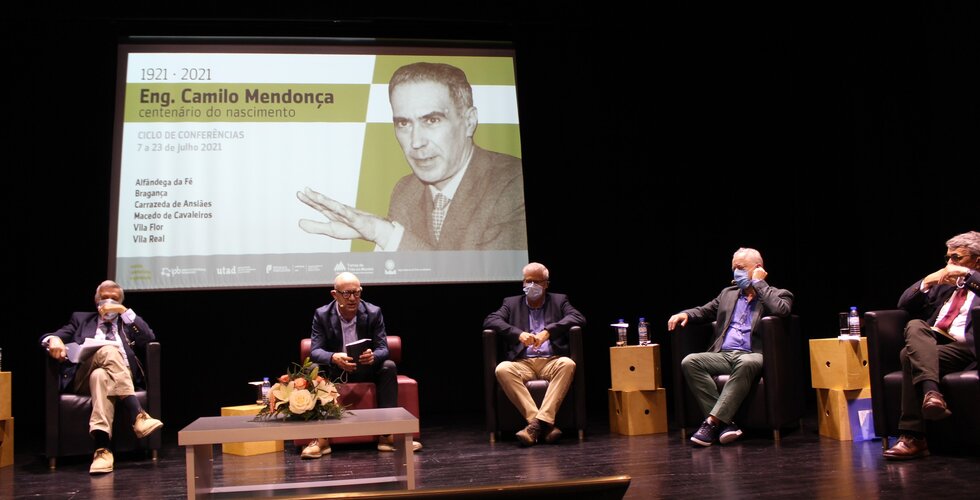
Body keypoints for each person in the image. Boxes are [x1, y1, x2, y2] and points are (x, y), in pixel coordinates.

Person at [298, 61, 527, 251]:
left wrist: (384, 233)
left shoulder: (515, 183)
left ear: (469, 122)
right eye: (404, 123)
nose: (416, 142)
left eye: (432, 120)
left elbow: (482, 282)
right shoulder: (405, 191)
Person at [667, 248, 793, 447]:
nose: (736, 272)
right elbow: (705, 311)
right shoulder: (728, 294)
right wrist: (686, 314)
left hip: (753, 354)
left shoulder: (778, 294)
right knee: (690, 362)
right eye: (734, 268)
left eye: (740, 268)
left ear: (758, 268)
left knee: (745, 363)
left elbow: (782, 310)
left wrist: (759, 284)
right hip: (724, 354)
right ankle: (726, 425)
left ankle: (711, 423)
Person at [40, 280, 163, 474]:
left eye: (114, 299)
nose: (109, 302)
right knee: (108, 350)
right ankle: (138, 415)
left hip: (120, 378)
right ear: (96, 300)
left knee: (100, 376)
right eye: (104, 298)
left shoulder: (127, 323)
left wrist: (124, 311)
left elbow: (149, 338)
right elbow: (52, 335)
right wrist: (53, 339)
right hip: (82, 377)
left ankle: (102, 450)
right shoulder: (81, 320)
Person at [301, 271, 422, 458]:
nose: (352, 298)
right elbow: (315, 351)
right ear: (335, 295)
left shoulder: (373, 312)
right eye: (346, 293)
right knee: (312, 369)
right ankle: (321, 439)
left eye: (356, 293)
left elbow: (383, 348)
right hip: (336, 371)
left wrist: (373, 356)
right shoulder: (322, 314)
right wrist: (334, 357)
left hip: (366, 369)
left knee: (388, 366)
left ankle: (387, 436)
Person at [882, 231, 980, 460]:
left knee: (908, 355)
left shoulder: (972, 280)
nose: (950, 263)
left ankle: (913, 437)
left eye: (957, 258)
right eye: (948, 258)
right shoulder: (947, 284)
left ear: (977, 260)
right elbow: (904, 303)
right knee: (915, 325)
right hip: (937, 343)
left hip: (968, 348)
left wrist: (968, 276)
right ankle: (932, 395)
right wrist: (928, 281)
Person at [483, 262, 586, 446]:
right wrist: (518, 334)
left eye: (537, 282)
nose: (531, 286)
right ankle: (541, 423)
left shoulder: (559, 301)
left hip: (551, 361)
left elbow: (578, 317)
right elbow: (491, 320)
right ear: (523, 282)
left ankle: (535, 426)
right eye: (528, 281)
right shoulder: (511, 303)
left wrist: (548, 332)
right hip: (523, 363)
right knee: (502, 369)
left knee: (568, 364)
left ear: (546, 284)